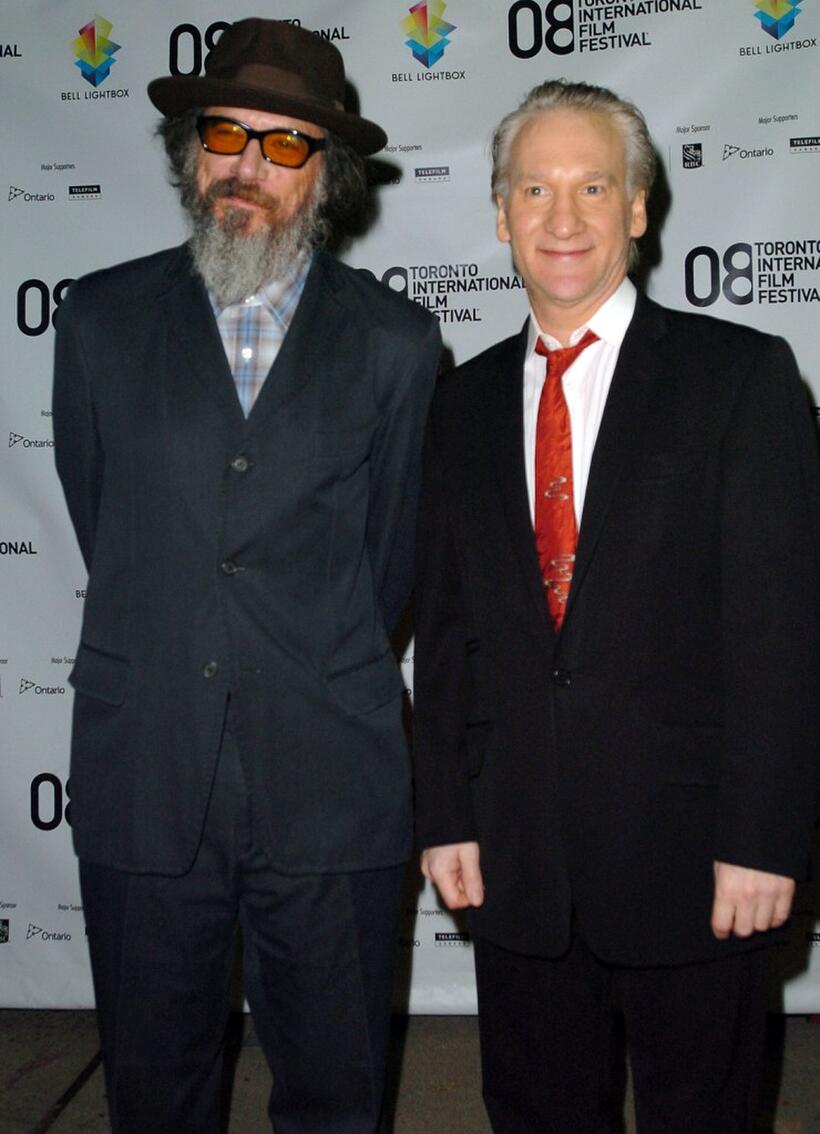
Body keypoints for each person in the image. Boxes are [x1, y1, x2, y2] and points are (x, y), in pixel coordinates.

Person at [53, 18, 440, 1133]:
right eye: (226, 133)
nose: (246, 167)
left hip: (330, 772)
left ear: (326, 176)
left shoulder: (397, 345)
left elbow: (389, 559)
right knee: (154, 1090)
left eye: (284, 146)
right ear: (190, 148)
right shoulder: (98, 321)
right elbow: (104, 516)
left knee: (336, 1093)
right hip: (145, 763)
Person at [413, 79, 819, 1133]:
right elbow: (449, 629)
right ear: (499, 214)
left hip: (696, 862)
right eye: (534, 189)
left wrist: (765, 837)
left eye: (593, 186)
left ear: (637, 207)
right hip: (517, 863)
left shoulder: (740, 378)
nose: (562, 218)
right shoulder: (455, 403)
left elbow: (782, 634)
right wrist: (445, 811)